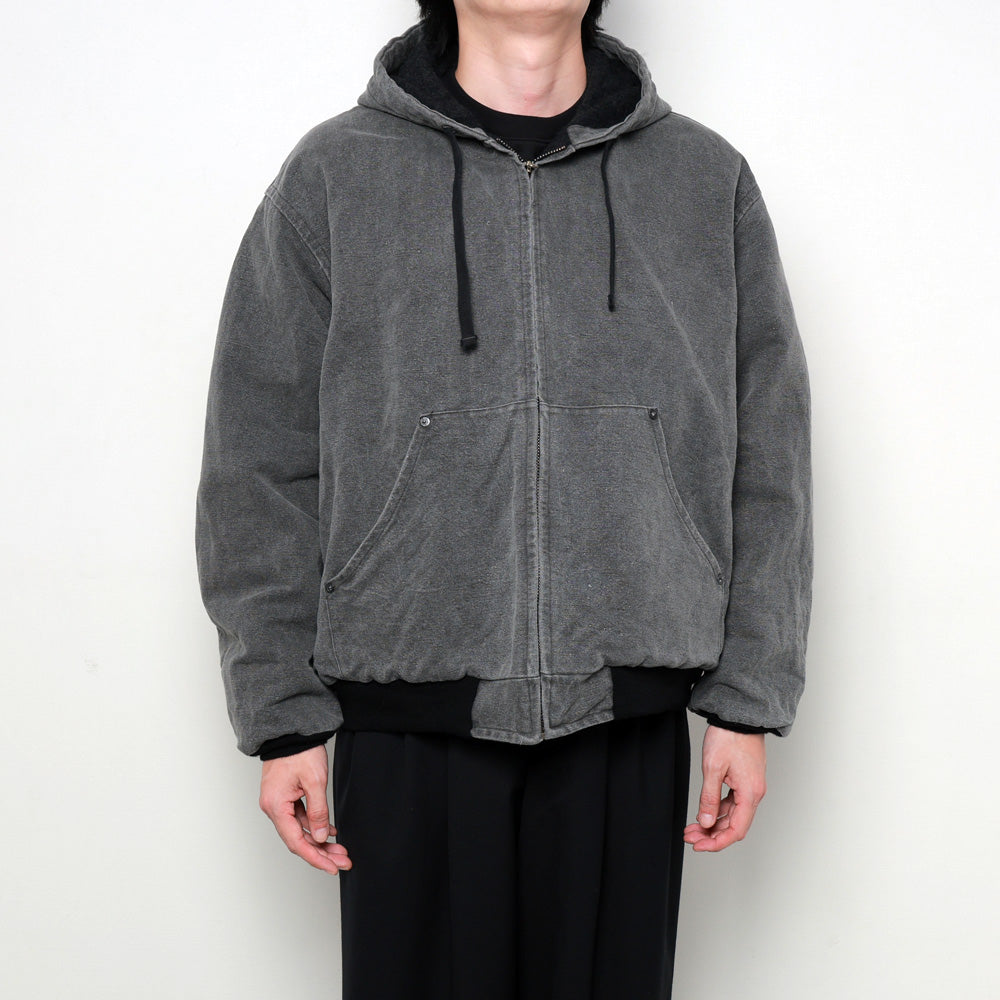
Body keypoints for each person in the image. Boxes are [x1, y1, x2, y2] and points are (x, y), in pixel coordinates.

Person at [195, 1, 813, 997]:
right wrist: (282, 713)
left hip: (627, 709)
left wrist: (748, 698)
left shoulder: (703, 180)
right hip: (405, 709)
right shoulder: (335, 174)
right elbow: (258, 454)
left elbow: (770, 450)